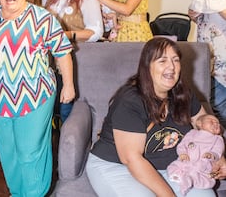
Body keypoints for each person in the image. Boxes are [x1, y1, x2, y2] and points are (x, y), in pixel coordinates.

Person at [0, 0, 75, 196]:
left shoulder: (43, 19)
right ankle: (17, 193)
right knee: (9, 153)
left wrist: (70, 85)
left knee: (31, 152)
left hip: (36, 95)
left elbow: (62, 52)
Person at [85, 37, 214, 197]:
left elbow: (205, 125)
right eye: (162, 61)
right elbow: (132, 159)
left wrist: (217, 156)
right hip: (116, 165)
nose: (171, 67)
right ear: (147, 66)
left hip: (172, 166)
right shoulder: (130, 101)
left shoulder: (182, 93)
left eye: (175, 60)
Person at [42, 0, 103, 123]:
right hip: (49, 65)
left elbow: (96, 32)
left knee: (68, 113)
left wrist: (66, 35)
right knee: (51, 114)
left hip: (75, 62)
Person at [188, 0, 226, 130]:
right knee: (211, 108)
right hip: (207, 56)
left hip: (223, 64)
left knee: (220, 108)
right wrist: (194, 13)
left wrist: (216, 2)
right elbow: (201, 17)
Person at [167, 114, 224, 196]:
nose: (216, 124)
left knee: (206, 179)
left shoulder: (217, 139)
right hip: (187, 159)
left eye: (218, 124)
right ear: (199, 123)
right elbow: (182, 145)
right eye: (211, 121)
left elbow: (218, 151)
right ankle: (179, 177)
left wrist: (212, 155)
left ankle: (191, 180)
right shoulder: (192, 133)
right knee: (174, 166)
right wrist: (182, 153)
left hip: (203, 164)